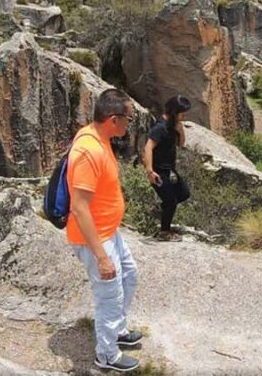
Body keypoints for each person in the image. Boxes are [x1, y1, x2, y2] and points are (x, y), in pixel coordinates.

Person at [67, 88, 141, 372]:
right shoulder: (89, 150)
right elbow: (80, 208)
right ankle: (106, 355)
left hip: (110, 231)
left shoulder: (101, 137)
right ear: (113, 119)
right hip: (94, 238)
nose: (129, 124)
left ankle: (118, 331)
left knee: (129, 276)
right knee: (110, 295)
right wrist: (101, 257)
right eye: (129, 119)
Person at [143, 96, 192, 242]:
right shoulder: (161, 127)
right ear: (174, 112)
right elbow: (148, 147)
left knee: (184, 194)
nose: (184, 117)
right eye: (182, 114)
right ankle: (164, 232)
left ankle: (160, 209)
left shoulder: (173, 125)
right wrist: (150, 171)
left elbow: (181, 144)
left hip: (169, 170)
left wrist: (181, 131)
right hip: (158, 172)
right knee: (171, 201)